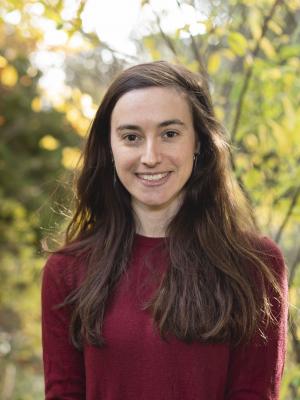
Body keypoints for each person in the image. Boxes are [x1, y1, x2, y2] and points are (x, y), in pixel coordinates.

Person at [41, 60, 288, 400]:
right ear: (109, 148)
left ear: (199, 142)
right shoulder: (67, 269)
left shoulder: (255, 264)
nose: (150, 156)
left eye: (169, 134)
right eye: (131, 137)